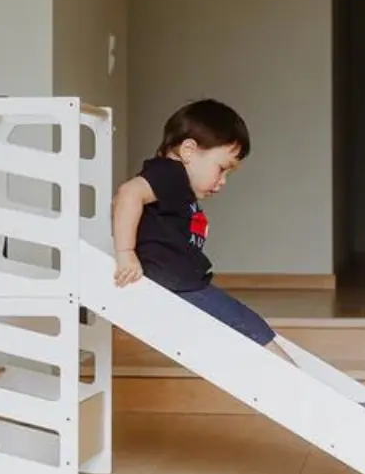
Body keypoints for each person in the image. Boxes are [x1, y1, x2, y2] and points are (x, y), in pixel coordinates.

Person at [111, 98, 295, 363]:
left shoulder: (174, 181)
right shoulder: (170, 173)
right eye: (222, 169)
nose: (222, 182)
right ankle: (301, 385)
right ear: (188, 150)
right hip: (175, 285)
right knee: (246, 327)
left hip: (183, 282)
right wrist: (125, 252)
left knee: (248, 324)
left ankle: (301, 382)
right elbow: (127, 194)